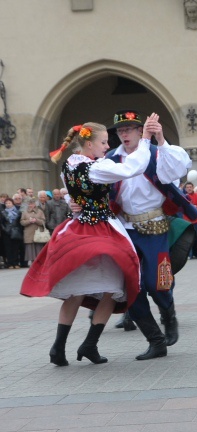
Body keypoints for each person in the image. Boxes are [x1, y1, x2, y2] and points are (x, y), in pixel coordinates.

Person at [20, 122, 146, 366]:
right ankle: (89, 344)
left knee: (76, 293)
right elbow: (133, 167)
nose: (108, 146)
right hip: (102, 229)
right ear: (89, 144)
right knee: (113, 289)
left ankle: (59, 348)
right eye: (103, 143)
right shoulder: (97, 166)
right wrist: (147, 139)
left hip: (76, 230)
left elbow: (69, 190)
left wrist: (73, 201)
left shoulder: (70, 163)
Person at [106, 110, 197, 360]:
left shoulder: (157, 153)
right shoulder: (112, 158)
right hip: (125, 230)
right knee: (130, 288)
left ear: (139, 131)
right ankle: (155, 340)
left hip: (155, 226)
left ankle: (169, 315)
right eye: (120, 131)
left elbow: (175, 171)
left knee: (158, 282)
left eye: (129, 129)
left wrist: (160, 139)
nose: (124, 134)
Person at [20, 197, 46, 264]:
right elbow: (22, 222)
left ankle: (40, 262)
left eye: (32, 204)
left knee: (38, 248)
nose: (30, 205)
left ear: (35, 204)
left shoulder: (40, 212)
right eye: (29, 204)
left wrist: (36, 220)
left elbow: (43, 221)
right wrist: (29, 221)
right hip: (29, 232)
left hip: (38, 233)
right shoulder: (25, 212)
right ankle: (32, 262)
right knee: (30, 249)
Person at [0, 197, 22, 268]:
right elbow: (1, 223)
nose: (8, 204)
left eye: (9, 203)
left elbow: (19, 222)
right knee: (8, 248)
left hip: (15, 231)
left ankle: (16, 263)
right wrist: (5, 229)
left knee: (15, 248)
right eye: (6, 203)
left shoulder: (18, 211)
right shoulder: (3, 212)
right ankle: (10, 263)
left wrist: (18, 229)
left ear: (12, 203)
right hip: (6, 232)